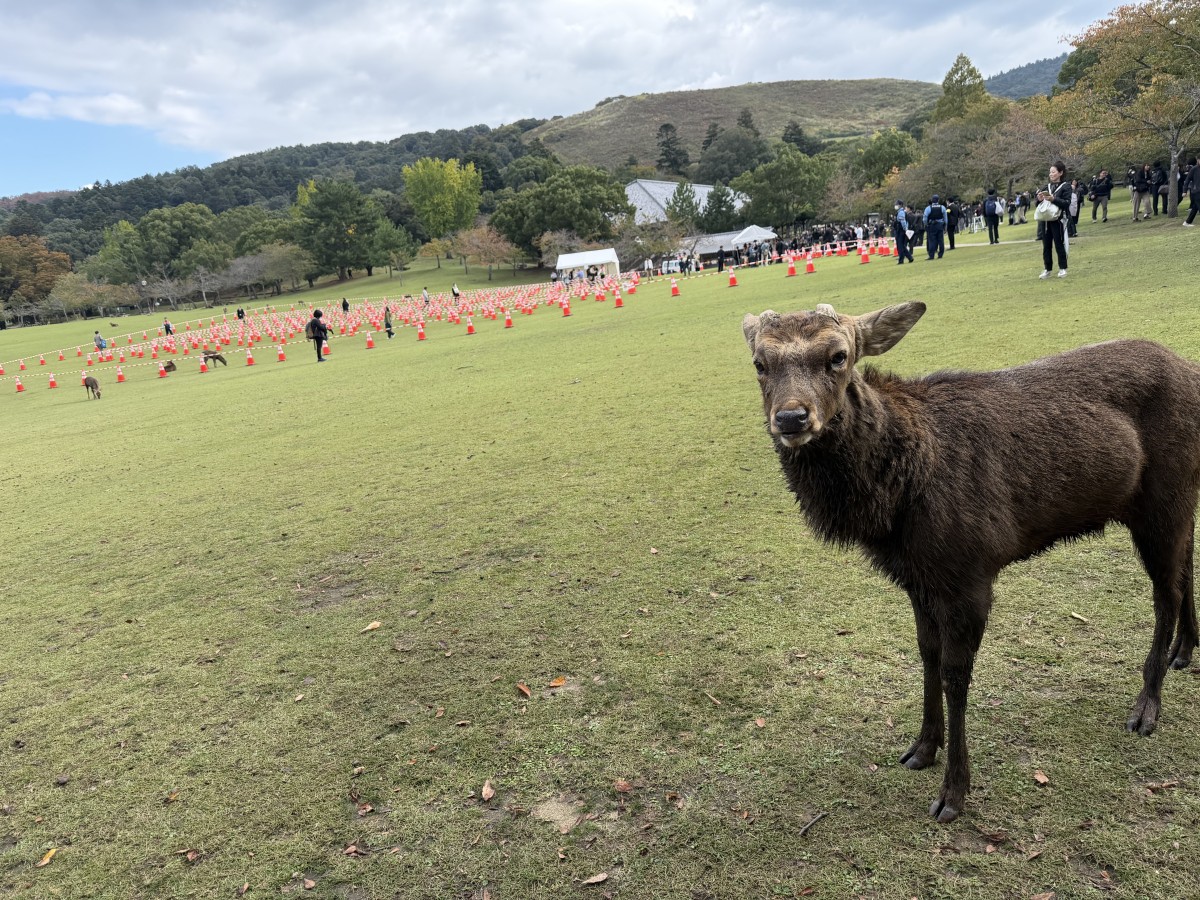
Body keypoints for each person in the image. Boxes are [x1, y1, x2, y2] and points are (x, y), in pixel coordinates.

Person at [1037, 161, 1072, 279]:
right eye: (1050, 172)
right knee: (1046, 245)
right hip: (1046, 220)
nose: (1051, 174)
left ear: (1060, 173)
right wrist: (1039, 199)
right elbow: (1038, 203)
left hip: (1059, 220)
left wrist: (1053, 199)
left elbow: (1066, 203)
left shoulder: (1066, 186)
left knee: (1059, 243)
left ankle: (1062, 268)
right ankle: (1047, 269)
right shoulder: (1046, 186)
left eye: (1053, 172)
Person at [923, 194, 946, 259]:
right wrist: (945, 225)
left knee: (932, 241)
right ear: (938, 200)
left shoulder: (928, 208)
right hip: (940, 225)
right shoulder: (942, 207)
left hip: (932, 225)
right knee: (940, 240)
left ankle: (931, 255)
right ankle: (940, 254)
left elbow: (925, 217)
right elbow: (945, 218)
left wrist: (926, 224)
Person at [892, 199, 915, 264]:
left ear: (900, 205)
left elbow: (903, 222)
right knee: (902, 246)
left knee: (900, 246)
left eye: (897, 204)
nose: (896, 205)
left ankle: (901, 260)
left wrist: (905, 229)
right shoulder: (901, 212)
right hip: (901, 230)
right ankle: (910, 257)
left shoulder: (901, 212)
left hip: (901, 231)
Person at [1184, 158, 1200, 226]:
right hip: (1196, 191)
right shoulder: (1194, 169)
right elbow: (1187, 180)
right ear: (1198, 160)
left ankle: (1187, 222)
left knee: (1195, 208)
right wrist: (1184, 191)